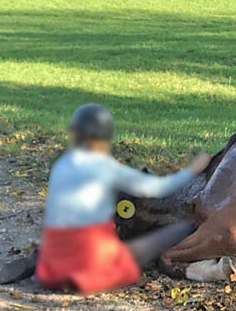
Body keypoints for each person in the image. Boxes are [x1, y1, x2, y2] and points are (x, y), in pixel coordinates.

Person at [31, 103, 211, 294]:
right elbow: (157, 189)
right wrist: (194, 168)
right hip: (89, 259)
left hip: (52, 260)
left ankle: (54, 268)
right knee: (181, 228)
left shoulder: (61, 164)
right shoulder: (105, 167)